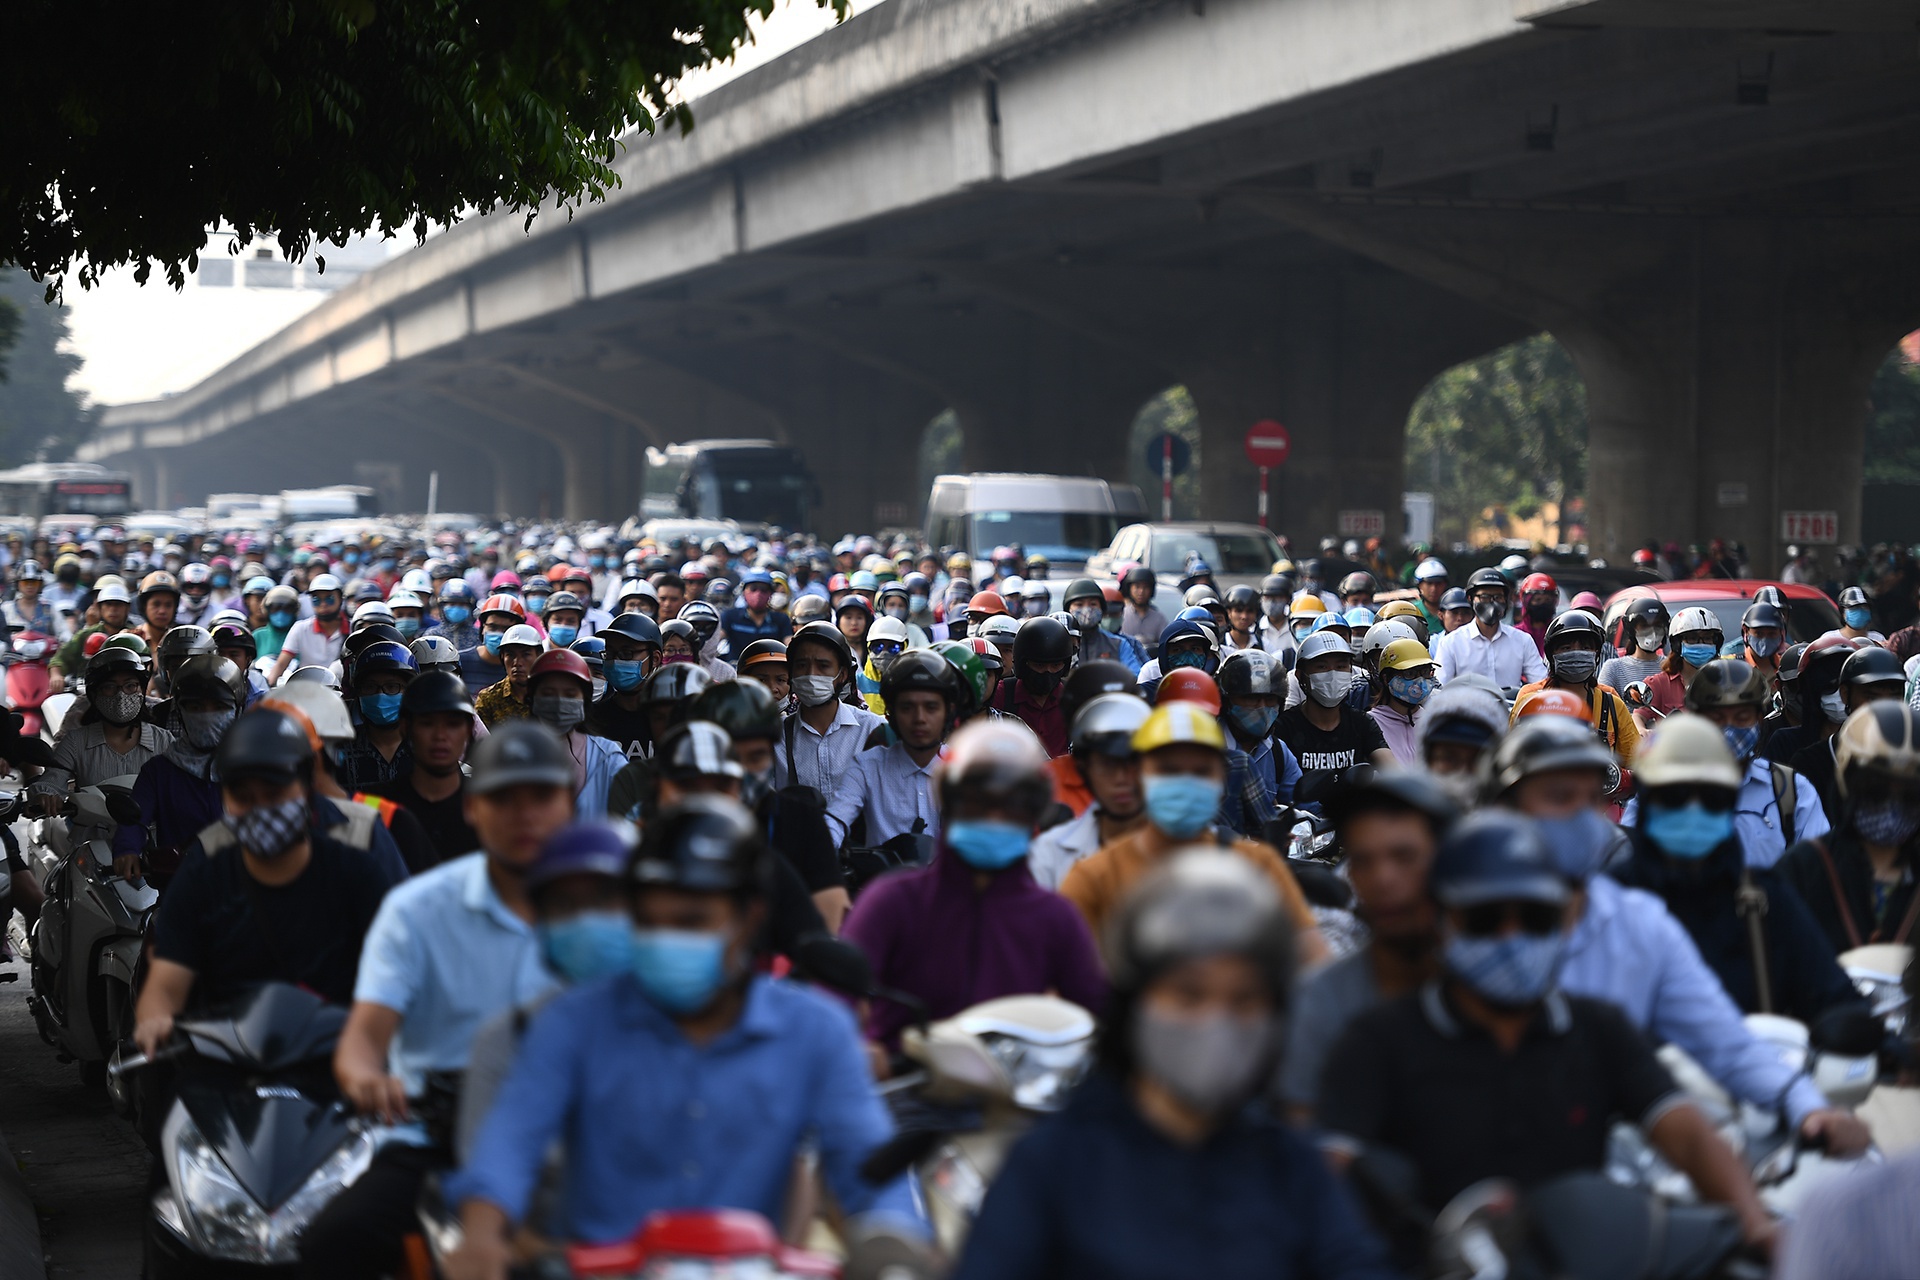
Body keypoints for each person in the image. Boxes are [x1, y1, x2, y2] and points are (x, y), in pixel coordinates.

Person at [443, 797, 924, 1277]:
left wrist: (896, 1250)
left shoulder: (816, 1032)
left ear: (749, 919)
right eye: (650, 923)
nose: (667, 938)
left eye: (691, 921)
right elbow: (508, 1145)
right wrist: (483, 1236)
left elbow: (868, 1166)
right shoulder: (571, 1024)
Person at [1315, 810, 1777, 1254]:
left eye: (1534, 917)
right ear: (1443, 920)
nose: (1512, 935)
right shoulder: (1378, 1041)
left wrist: (1757, 1227)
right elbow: (1329, 1180)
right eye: (1486, 918)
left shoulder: (1596, 1026)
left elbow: (1688, 1134)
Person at [955, 852, 1396, 1280]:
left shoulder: (1290, 1165)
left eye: (1243, 1001)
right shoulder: (1055, 1163)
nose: (1215, 1023)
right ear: (1136, 1005)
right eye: (1188, 995)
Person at [308, 722, 577, 1278]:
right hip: (434, 1141)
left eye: (542, 796)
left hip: (571, 1142)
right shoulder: (417, 910)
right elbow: (365, 1035)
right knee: (333, 1242)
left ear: (568, 807)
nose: (524, 814)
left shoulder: (611, 912)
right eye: (504, 798)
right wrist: (363, 1078)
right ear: (474, 808)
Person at [133, 706, 396, 1055]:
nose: (260, 809)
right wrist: (156, 1020)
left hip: (334, 1068)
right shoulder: (203, 874)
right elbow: (168, 979)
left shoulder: (354, 872)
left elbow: (395, 974)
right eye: (244, 797)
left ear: (305, 789)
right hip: (224, 1072)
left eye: (274, 794)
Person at [842, 719, 1107, 1054]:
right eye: (977, 803)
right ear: (950, 805)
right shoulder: (894, 901)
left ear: (1032, 815)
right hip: (905, 1088)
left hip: (1016, 1091)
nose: (994, 818)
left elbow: (1092, 1013)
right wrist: (862, 1053)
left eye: (1010, 806)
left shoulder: (1055, 917)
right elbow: (836, 996)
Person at [1609, 713, 1860, 1021]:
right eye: (1674, 797)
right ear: (1646, 804)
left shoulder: (1766, 900)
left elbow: (1832, 993)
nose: (1693, 810)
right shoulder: (1607, 905)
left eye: (1711, 797)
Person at [1061, 701, 1325, 964]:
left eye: (1201, 771)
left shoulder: (1259, 866)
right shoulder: (1095, 877)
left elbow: (1313, 962)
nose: (1186, 783)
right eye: (1169, 770)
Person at [453, 821, 635, 1166]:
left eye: (605, 900)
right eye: (566, 906)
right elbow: (488, 1180)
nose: (586, 920)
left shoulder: (693, 1031)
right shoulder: (507, 1042)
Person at [1280, 773, 1458, 1118]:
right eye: (1364, 861)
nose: (1383, 879)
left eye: (1404, 857)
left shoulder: (1487, 987)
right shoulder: (1323, 998)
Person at [1629, 658, 1828, 868]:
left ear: (1760, 720)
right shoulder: (1660, 787)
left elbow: (1817, 870)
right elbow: (1631, 859)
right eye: (1717, 718)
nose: (1729, 728)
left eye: (1742, 717)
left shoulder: (1791, 791)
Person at [686, 677, 849, 929]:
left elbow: (831, 918)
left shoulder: (802, 820)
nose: (741, 772)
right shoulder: (678, 822)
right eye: (729, 757)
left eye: (756, 757)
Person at [1778, 702, 1920, 954]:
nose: (1892, 802)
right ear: (1848, 779)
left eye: (1908, 789)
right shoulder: (1805, 868)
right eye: (1877, 786)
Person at [110, 654, 246, 890]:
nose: (206, 715)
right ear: (180, 712)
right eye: (195, 707)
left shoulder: (256, 767)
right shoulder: (159, 771)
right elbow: (136, 818)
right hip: (182, 893)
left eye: (219, 707)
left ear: (237, 710)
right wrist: (127, 850)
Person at [32, 644, 172, 843]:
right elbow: (51, 780)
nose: (121, 694)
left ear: (141, 689)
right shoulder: (76, 741)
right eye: (109, 687)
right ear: (94, 694)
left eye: (130, 686)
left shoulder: (164, 740)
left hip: (152, 849)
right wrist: (46, 795)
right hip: (89, 848)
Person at [826, 650, 956, 849]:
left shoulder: (963, 769)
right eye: (907, 708)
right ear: (890, 714)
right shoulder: (865, 767)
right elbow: (836, 819)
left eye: (931, 707)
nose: (919, 718)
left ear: (948, 712)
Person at [1030, 693, 1151, 890]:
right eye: (1108, 765)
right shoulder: (1050, 852)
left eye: (1134, 763)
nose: (1121, 778)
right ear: (1085, 768)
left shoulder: (1187, 846)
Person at [366, 671, 483, 865]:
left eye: (453, 725)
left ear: (469, 730)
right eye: (427, 724)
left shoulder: (488, 805)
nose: (440, 736)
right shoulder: (374, 805)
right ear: (405, 728)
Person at [1790, 643, 1907, 821]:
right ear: (1845, 694)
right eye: (1872, 698)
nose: (1883, 708)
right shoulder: (1810, 764)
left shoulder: (1911, 760)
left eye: (1894, 697)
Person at [773, 621, 883, 809]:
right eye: (802, 665)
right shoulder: (776, 736)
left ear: (842, 675)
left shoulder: (872, 729)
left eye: (823, 666)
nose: (810, 674)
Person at [1275, 632, 1391, 800]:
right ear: (1301, 676)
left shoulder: (1361, 723)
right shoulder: (1284, 728)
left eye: (1341, 666)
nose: (1333, 674)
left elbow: (1390, 766)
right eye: (1322, 667)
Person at [1514, 611, 1640, 763]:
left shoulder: (1612, 705)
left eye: (1585, 648)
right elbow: (1512, 759)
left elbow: (1636, 762)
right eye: (1566, 648)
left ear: (1597, 654)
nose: (1576, 654)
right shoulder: (1530, 704)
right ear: (1551, 655)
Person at [525, 649, 625, 816]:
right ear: (532, 698)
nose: (558, 702)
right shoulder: (514, 752)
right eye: (548, 694)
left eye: (570, 694)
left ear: (584, 700)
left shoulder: (607, 757)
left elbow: (631, 817)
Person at [1433, 568, 1546, 690]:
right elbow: (1440, 688)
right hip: (1466, 707)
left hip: (1511, 707)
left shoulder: (1522, 640)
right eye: (1484, 597)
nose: (1491, 603)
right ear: (1471, 599)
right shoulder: (1451, 642)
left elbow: (1541, 683)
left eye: (1498, 597)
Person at [1217, 647, 1300, 811]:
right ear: (1227, 701)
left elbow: (1304, 807)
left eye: (1269, 698)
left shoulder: (1278, 752)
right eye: (1251, 698)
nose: (1262, 707)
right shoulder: (1206, 747)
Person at [334, 638, 418, 791]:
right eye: (370, 687)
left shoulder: (425, 747)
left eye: (392, 687)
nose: (380, 695)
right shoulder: (338, 752)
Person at [992, 615, 1073, 756]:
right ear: (1023, 664)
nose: (1048, 672)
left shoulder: (1073, 698)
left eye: (1055, 665)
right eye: (1039, 665)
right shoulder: (1001, 695)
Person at [584, 612, 661, 754]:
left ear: (655, 658)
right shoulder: (592, 718)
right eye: (610, 653)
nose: (615, 661)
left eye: (627, 653)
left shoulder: (665, 718)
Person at [1633, 605, 1722, 726]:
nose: (1701, 644)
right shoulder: (1659, 684)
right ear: (1677, 644)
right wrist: (1643, 731)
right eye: (1692, 639)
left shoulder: (1725, 681)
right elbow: (1638, 716)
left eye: (1707, 639)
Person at [265, 573, 348, 683]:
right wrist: (267, 690)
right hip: (307, 690)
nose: (323, 604)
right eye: (316, 600)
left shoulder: (352, 630)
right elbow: (281, 664)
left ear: (341, 599)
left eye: (329, 598)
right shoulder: (300, 629)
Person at [1368, 638, 1435, 768]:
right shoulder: (1370, 723)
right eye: (1410, 674)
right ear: (1386, 679)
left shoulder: (1433, 722)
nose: (1420, 681)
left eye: (1426, 672)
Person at [473, 623, 541, 728]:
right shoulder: (489, 699)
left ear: (539, 656)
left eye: (526, 655)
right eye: (510, 655)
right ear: (502, 658)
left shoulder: (549, 695)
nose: (517, 662)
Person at [719, 567, 791, 657]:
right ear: (743, 592)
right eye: (753, 589)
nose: (758, 594)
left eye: (763, 590)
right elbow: (717, 638)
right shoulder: (730, 617)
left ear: (770, 594)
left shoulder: (781, 619)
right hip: (735, 669)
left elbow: (789, 643)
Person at [1118, 564, 1166, 643]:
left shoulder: (1159, 619)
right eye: (1137, 587)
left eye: (1145, 587)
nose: (1141, 592)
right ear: (1130, 589)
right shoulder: (1122, 616)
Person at [1514, 571, 1558, 655]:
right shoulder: (1515, 634)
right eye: (1537, 600)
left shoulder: (1557, 633)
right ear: (1526, 600)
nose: (1543, 604)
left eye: (1547, 600)